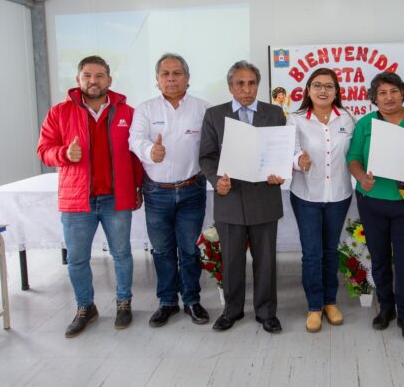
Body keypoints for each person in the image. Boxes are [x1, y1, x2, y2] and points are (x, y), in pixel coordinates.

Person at [37, 55, 142, 338]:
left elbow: (136, 155)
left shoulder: (126, 113)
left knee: (121, 254)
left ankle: (123, 303)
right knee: (77, 259)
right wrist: (63, 154)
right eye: (87, 76)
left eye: (99, 76)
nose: (92, 81)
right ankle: (86, 307)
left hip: (115, 198)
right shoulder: (59, 112)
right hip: (77, 200)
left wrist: (138, 187)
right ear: (78, 79)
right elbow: (44, 150)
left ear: (109, 79)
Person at [199, 60, 287, 333]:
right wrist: (216, 181)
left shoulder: (274, 113)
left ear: (258, 86)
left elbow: (281, 151)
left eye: (252, 83)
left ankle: (266, 312)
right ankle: (232, 310)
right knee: (232, 260)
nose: (247, 89)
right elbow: (206, 156)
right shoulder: (215, 115)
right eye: (240, 83)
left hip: (265, 197)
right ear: (230, 87)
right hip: (230, 198)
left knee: (266, 261)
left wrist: (280, 172)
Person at [129, 53, 210, 328]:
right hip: (157, 192)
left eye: (177, 73)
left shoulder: (202, 108)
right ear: (157, 79)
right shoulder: (146, 109)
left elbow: (214, 146)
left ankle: (191, 300)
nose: (171, 78)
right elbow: (134, 140)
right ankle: (166, 302)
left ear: (187, 78)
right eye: (165, 74)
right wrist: (151, 151)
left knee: (189, 250)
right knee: (162, 250)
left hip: (192, 189)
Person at [347, 71, 404, 341]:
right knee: (380, 258)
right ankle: (386, 308)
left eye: (393, 91)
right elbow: (354, 157)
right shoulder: (366, 123)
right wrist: (360, 177)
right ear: (374, 97)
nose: (388, 97)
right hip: (371, 201)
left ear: (403, 92)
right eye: (382, 92)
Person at [287, 68, 355, 332]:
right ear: (308, 90)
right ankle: (314, 306)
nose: (323, 90)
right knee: (312, 253)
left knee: (331, 251)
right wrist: (298, 161)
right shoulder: (296, 119)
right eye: (317, 85)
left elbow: (356, 152)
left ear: (336, 91)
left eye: (329, 86)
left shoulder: (348, 118)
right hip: (306, 196)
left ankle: (330, 302)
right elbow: (290, 152)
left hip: (339, 195)